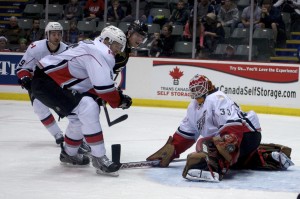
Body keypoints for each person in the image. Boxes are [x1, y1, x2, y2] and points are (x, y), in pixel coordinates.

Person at [147, 74, 294, 182]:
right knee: (228, 158)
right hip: (241, 138)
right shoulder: (193, 107)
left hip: (247, 134)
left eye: (199, 87)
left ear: (208, 86)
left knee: (205, 144)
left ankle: (212, 168)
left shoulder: (217, 97)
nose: (196, 91)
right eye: (193, 89)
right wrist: (172, 150)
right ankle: (267, 156)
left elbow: (233, 127)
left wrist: (221, 146)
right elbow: (187, 133)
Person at [30, 26, 131, 176]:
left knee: (79, 118)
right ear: (108, 40)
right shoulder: (99, 53)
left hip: (48, 80)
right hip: (48, 81)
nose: (119, 50)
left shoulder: (92, 47)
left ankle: (69, 154)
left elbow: (88, 82)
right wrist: (119, 100)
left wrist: (104, 95)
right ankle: (98, 157)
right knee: (88, 108)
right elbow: (104, 88)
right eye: (117, 45)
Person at [16, 22, 68, 145]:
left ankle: (77, 135)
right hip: (38, 83)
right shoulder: (35, 48)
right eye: (53, 34)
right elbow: (22, 68)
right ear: (47, 35)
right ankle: (57, 134)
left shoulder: (66, 50)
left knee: (73, 108)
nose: (56, 37)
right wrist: (25, 78)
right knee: (39, 107)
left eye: (59, 34)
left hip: (58, 84)